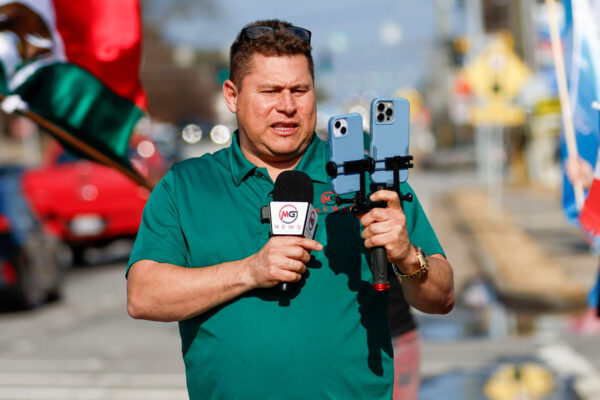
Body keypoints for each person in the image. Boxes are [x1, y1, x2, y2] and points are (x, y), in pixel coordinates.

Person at [126, 19, 454, 399]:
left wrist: (409, 258)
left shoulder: (371, 178)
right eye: (270, 91)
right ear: (232, 96)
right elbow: (143, 295)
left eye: (300, 90)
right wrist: (250, 271)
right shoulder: (186, 185)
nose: (287, 106)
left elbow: (442, 297)